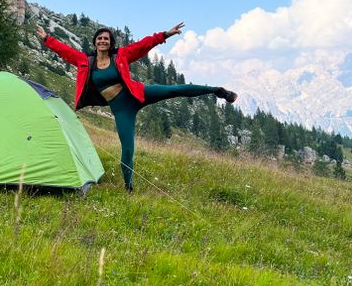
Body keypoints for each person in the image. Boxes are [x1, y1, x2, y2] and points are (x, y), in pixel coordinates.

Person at [36, 22, 236, 192]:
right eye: (100, 38)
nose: (103, 41)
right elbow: (65, 52)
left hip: (138, 94)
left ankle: (218, 91)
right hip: (122, 109)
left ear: (111, 42)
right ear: (95, 42)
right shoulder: (85, 61)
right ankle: (129, 187)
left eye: (106, 38)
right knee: (127, 148)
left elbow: (143, 45)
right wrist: (46, 39)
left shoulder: (121, 55)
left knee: (174, 90)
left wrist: (165, 35)